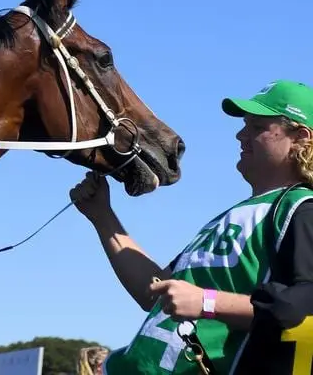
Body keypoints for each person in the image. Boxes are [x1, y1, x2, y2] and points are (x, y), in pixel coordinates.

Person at [69, 79, 313, 374]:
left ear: (301, 137)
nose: (240, 134)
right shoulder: (235, 215)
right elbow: (155, 293)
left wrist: (207, 302)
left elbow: (303, 308)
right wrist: (102, 216)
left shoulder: (301, 209)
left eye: (257, 126)